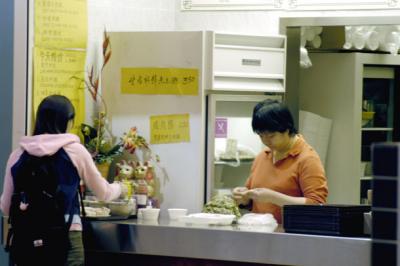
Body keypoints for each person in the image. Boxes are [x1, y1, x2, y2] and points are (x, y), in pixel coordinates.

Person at [0, 95, 126, 266]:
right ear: (66, 121)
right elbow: (103, 193)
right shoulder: (75, 151)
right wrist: (121, 187)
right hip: (65, 238)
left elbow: (6, 206)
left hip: (26, 240)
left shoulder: (17, 155)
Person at [232, 99, 328, 224]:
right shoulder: (262, 156)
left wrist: (273, 197)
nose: (266, 141)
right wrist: (244, 198)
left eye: (271, 136)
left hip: (291, 237)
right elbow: (253, 200)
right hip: (260, 233)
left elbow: (317, 204)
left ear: (287, 129)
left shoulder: (307, 159)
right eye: (261, 135)